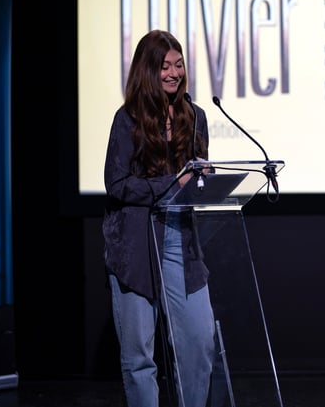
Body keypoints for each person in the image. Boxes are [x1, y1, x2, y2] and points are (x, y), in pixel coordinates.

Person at [103, 29, 216, 407]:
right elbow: (117, 184)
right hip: (135, 242)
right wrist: (173, 182)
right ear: (148, 70)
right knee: (139, 356)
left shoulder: (195, 116)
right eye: (165, 66)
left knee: (199, 341)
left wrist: (205, 178)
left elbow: (194, 179)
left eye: (179, 65)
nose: (174, 73)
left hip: (181, 239)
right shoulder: (127, 119)